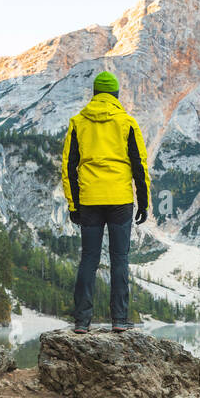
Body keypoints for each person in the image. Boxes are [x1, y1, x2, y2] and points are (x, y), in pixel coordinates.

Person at [61, 70, 151, 334]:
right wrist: (143, 202)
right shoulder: (127, 122)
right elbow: (139, 165)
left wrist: (73, 204)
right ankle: (120, 321)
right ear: (115, 95)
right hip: (120, 200)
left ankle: (81, 322)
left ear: (95, 94)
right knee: (120, 259)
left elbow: (68, 166)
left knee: (88, 259)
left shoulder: (78, 122)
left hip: (89, 199)